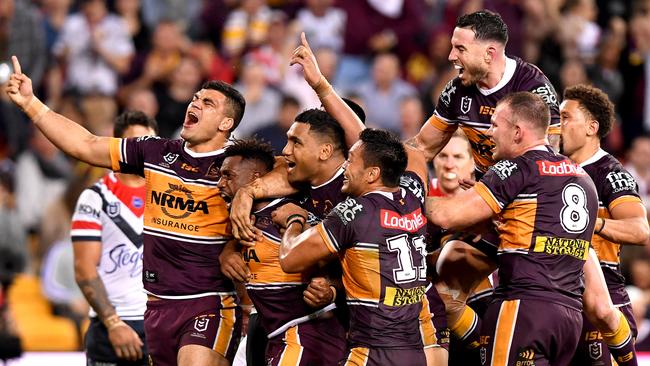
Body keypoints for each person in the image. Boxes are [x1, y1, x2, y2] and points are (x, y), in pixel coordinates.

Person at [6, 56, 245, 366]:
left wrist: (237, 235)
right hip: (157, 309)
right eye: (196, 97)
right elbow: (85, 144)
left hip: (208, 304)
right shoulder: (156, 152)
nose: (195, 103)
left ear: (227, 123)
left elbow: (287, 184)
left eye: (208, 103)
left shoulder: (240, 166)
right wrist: (31, 104)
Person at [427, 91, 598, 365]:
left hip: (523, 308)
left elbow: (448, 215)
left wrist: (409, 195)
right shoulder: (584, 178)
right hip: (569, 317)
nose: (489, 133)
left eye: (495, 124)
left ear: (517, 132)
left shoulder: (515, 169)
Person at [272, 128, 430, 365]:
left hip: (372, 351)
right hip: (414, 352)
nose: (345, 167)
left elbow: (289, 258)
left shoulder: (354, 212)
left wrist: (294, 219)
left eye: (351, 161)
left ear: (372, 174)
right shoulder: (413, 196)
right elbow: (416, 157)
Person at [217, 138, 346, 365]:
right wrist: (228, 251)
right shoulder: (245, 220)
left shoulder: (292, 213)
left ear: (256, 178)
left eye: (228, 176)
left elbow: (342, 262)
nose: (219, 183)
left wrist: (331, 290)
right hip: (274, 332)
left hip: (307, 331)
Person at [560, 84, 649, 366]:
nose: (556, 124)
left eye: (565, 117)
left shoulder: (611, 174)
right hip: (561, 299)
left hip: (605, 301)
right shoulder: (551, 170)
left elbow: (640, 230)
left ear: (591, 127)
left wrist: (593, 224)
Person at [72, 111, 158, 365]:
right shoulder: (95, 198)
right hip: (113, 326)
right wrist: (113, 324)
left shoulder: (168, 195)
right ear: (118, 146)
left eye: (149, 143)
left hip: (160, 322)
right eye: (135, 144)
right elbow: (83, 268)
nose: (143, 150)